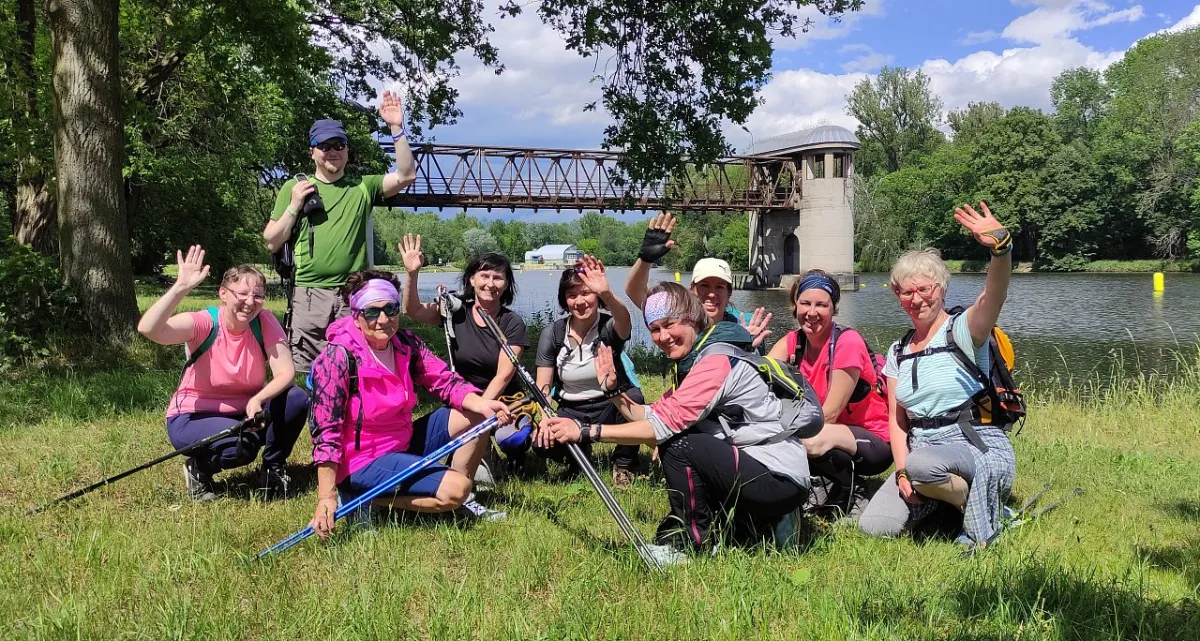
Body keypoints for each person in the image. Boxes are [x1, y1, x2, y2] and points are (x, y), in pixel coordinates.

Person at [541, 282, 819, 566]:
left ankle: (690, 544)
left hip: (777, 478)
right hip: (764, 469)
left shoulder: (714, 362)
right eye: (654, 329)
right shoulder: (697, 357)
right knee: (679, 447)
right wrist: (612, 392)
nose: (663, 337)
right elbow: (651, 416)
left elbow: (659, 429)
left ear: (692, 318)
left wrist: (585, 432)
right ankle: (769, 521)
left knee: (678, 444)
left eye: (670, 324)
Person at [858, 202, 1017, 550]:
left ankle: (990, 514)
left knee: (922, 466)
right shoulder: (898, 351)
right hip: (922, 452)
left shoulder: (964, 330)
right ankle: (951, 507)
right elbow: (897, 420)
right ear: (898, 296)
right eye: (907, 291)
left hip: (976, 444)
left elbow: (994, 296)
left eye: (925, 289)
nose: (916, 299)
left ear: (942, 289)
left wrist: (1001, 249)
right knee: (875, 525)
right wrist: (902, 472)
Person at [307, 270, 513, 537]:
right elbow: (326, 431)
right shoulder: (337, 358)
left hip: (402, 442)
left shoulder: (405, 343)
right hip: (361, 459)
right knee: (456, 490)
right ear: (356, 316)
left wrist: (482, 404)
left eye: (391, 309)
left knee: (477, 414)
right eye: (372, 312)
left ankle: (462, 499)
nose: (383, 319)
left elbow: (443, 380)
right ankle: (364, 497)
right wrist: (326, 497)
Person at [262, 90, 418, 374]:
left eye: (339, 144)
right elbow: (272, 241)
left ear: (347, 150)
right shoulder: (294, 187)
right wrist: (294, 206)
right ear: (312, 151)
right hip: (308, 293)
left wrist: (396, 128)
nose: (332, 150)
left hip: (354, 293)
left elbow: (406, 175)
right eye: (324, 145)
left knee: (354, 365)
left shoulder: (363, 186)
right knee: (306, 369)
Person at [137, 246, 309, 501]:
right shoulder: (205, 322)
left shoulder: (264, 322)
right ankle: (198, 468)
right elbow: (149, 329)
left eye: (258, 295)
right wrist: (181, 287)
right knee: (242, 445)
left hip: (245, 412)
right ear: (223, 294)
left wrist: (258, 399)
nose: (250, 302)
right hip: (193, 417)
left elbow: (286, 373)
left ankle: (273, 468)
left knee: (296, 399)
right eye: (242, 294)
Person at [766, 269, 892, 515]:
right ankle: (823, 484)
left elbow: (830, 414)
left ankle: (854, 489)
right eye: (805, 303)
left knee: (810, 440)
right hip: (828, 432)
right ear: (795, 305)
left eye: (821, 305)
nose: (812, 312)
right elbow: (759, 379)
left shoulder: (847, 342)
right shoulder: (793, 342)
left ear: (833, 309)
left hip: (872, 440)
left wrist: (781, 433)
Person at [533, 256, 645, 487]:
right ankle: (579, 454)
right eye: (572, 295)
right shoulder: (553, 333)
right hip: (571, 408)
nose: (580, 301)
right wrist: (545, 418)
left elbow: (624, 319)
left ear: (596, 296)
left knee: (635, 398)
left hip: (610, 403)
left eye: (586, 293)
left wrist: (606, 293)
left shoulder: (609, 326)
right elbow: (543, 386)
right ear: (564, 300)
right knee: (540, 443)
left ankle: (624, 463)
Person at [625, 212, 772, 350]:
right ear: (692, 289)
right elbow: (634, 291)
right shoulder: (678, 316)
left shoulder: (745, 323)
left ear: (729, 293)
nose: (711, 294)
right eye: (704, 285)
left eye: (719, 287)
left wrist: (748, 347)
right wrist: (645, 259)